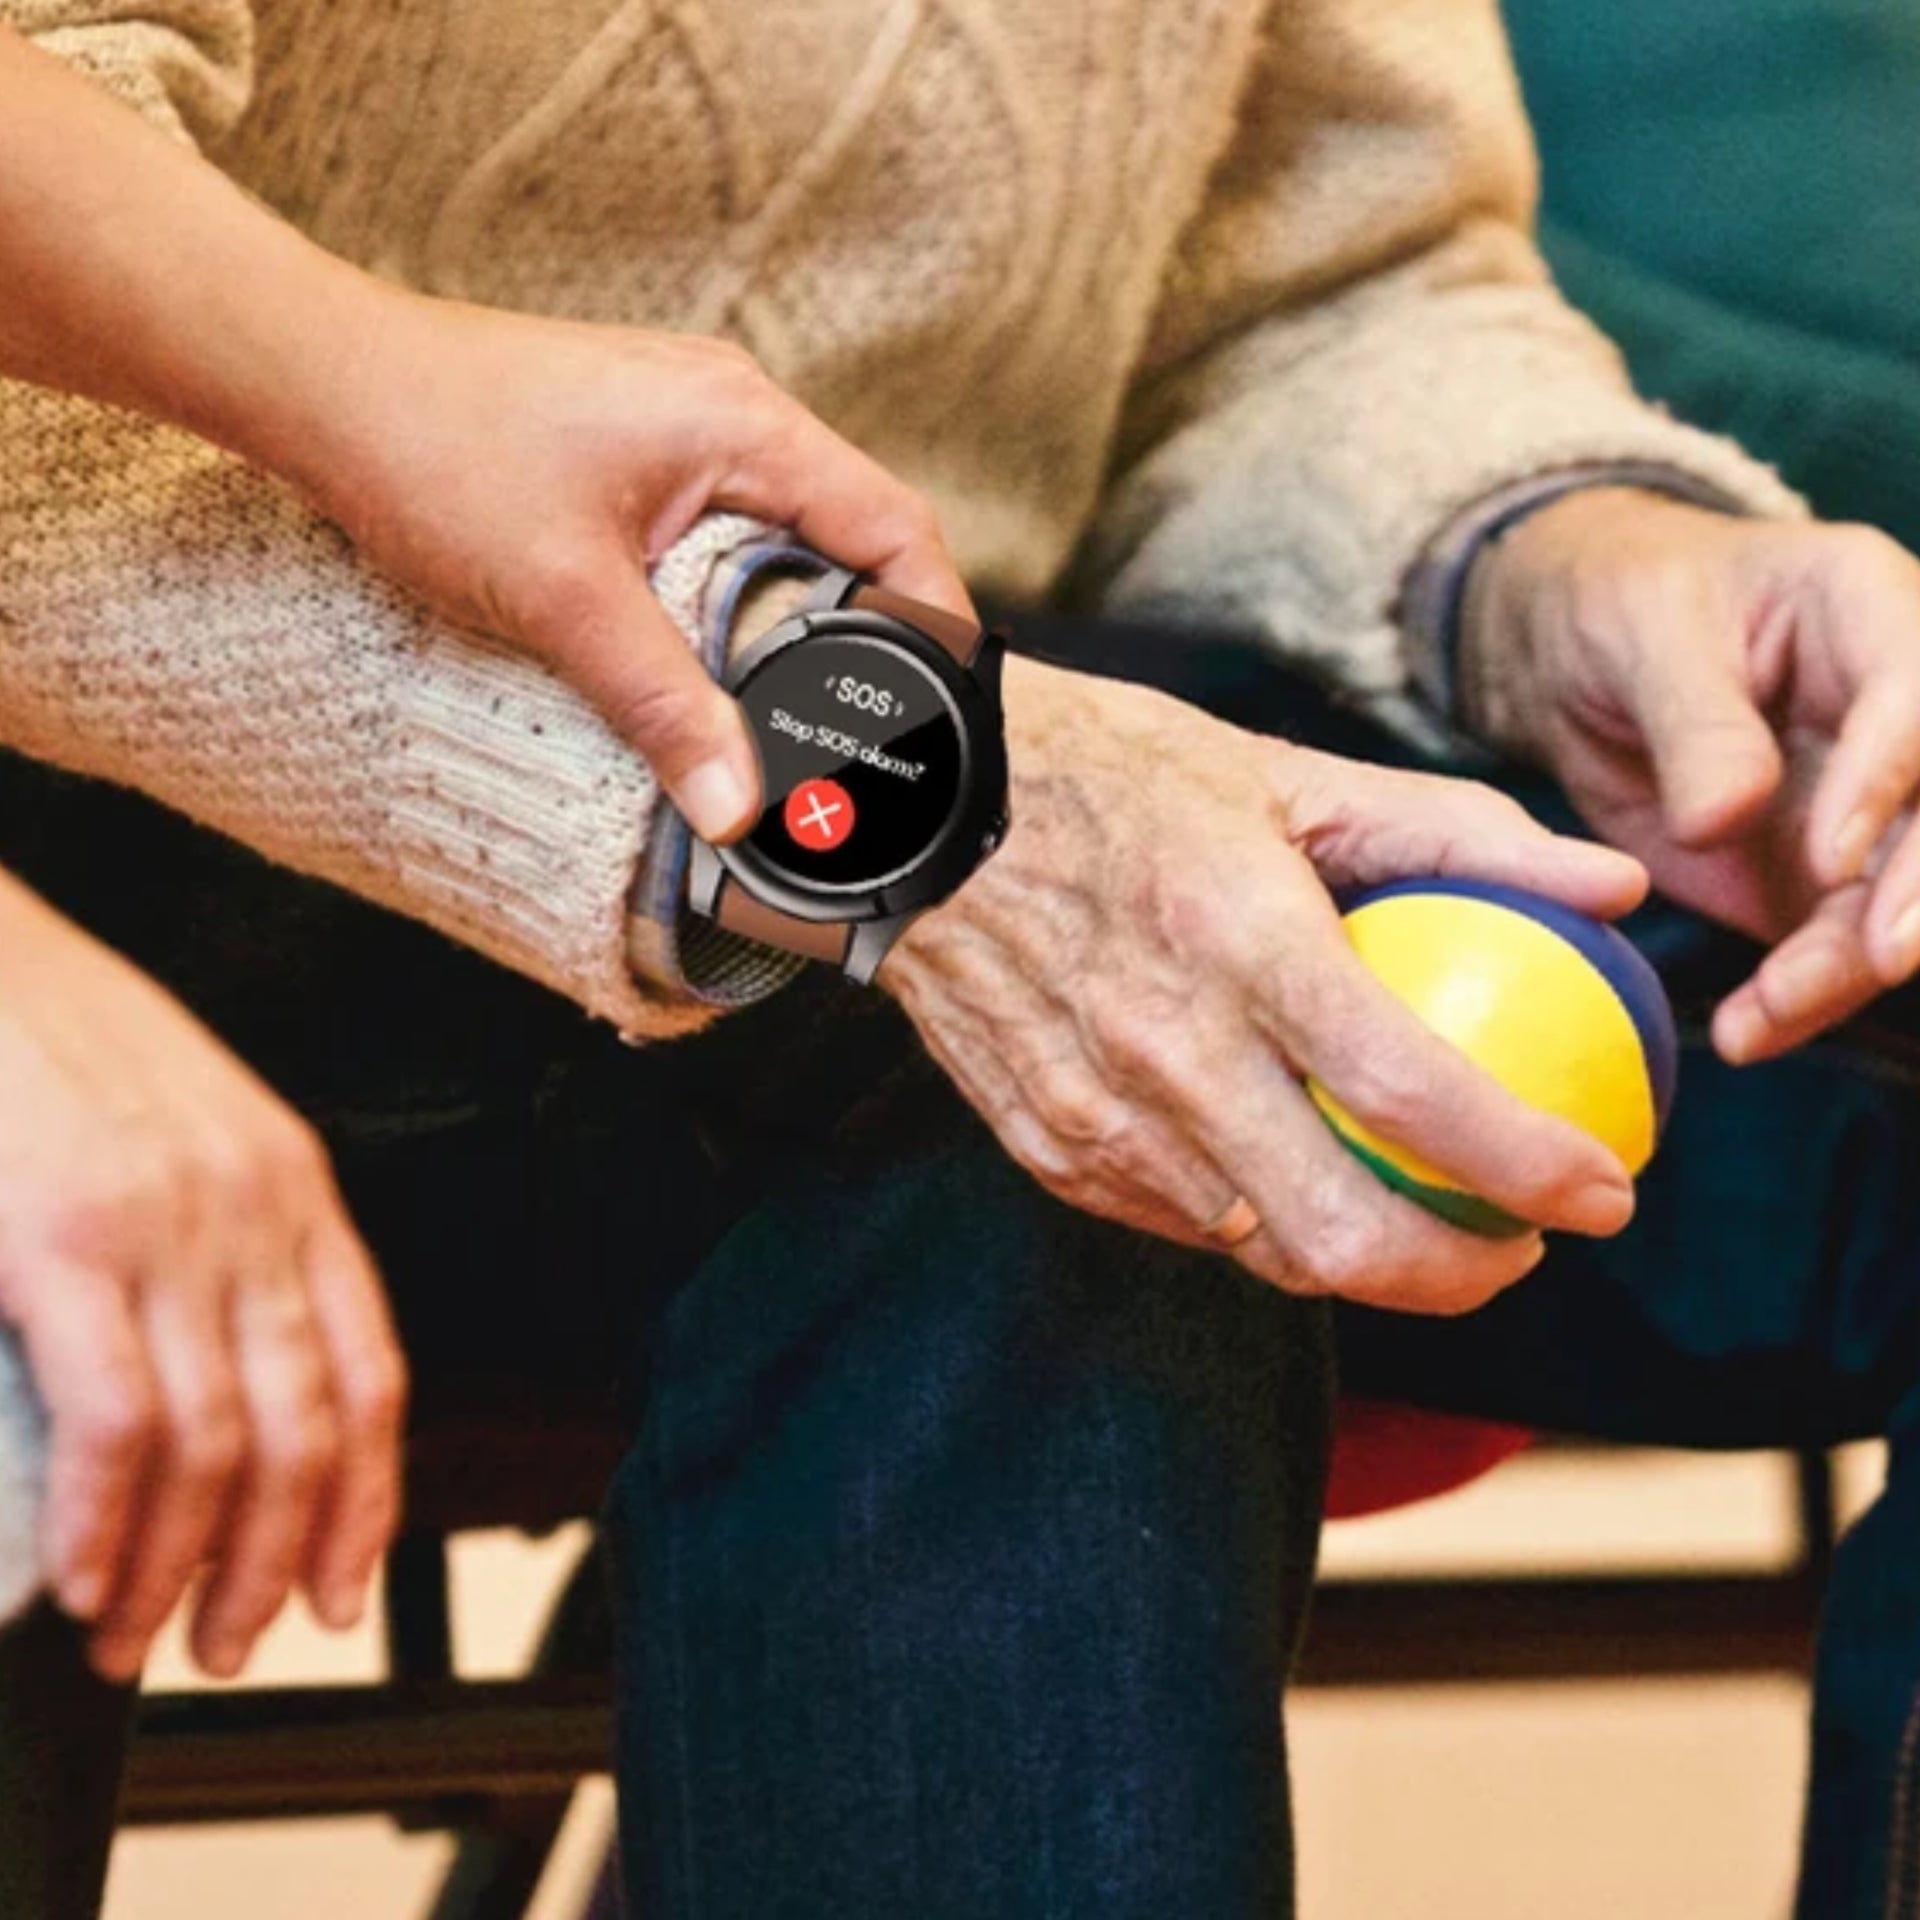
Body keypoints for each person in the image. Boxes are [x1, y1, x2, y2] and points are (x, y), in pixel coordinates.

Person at [1, 5, 1919, 1919]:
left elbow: (1309, 277)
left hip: (977, 710)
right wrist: (930, 796)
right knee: (1078, 1108)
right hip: (177, 759)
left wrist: (1564, 559)